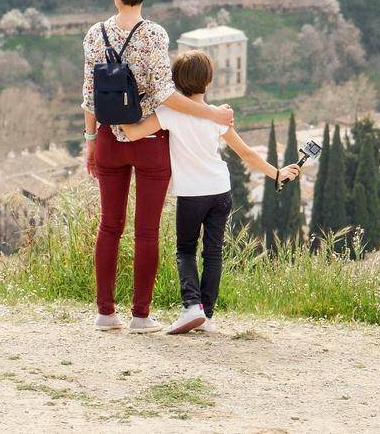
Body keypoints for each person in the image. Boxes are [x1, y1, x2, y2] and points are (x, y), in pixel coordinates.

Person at [82, 0, 233, 333]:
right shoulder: (155, 35)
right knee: (146, 231)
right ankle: (141, 316)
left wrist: (90, 141)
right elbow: (165, 94)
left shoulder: (94, 35)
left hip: (108, 139)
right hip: (149, 141)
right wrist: (209, 113)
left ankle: (105, 313)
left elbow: (88, 96)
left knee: (109, 226)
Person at [120, 50, 298, 334]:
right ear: (209, 81)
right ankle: (208, 315)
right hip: (220, 190)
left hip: (192, 194)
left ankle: (192, 307)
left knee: (185, 250)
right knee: (213, 253)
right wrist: (276, 173)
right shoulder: (219, 116)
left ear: (175, 82)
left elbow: (132, 133)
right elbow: (246, 153)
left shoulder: (170, 113)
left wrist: (116, 111)